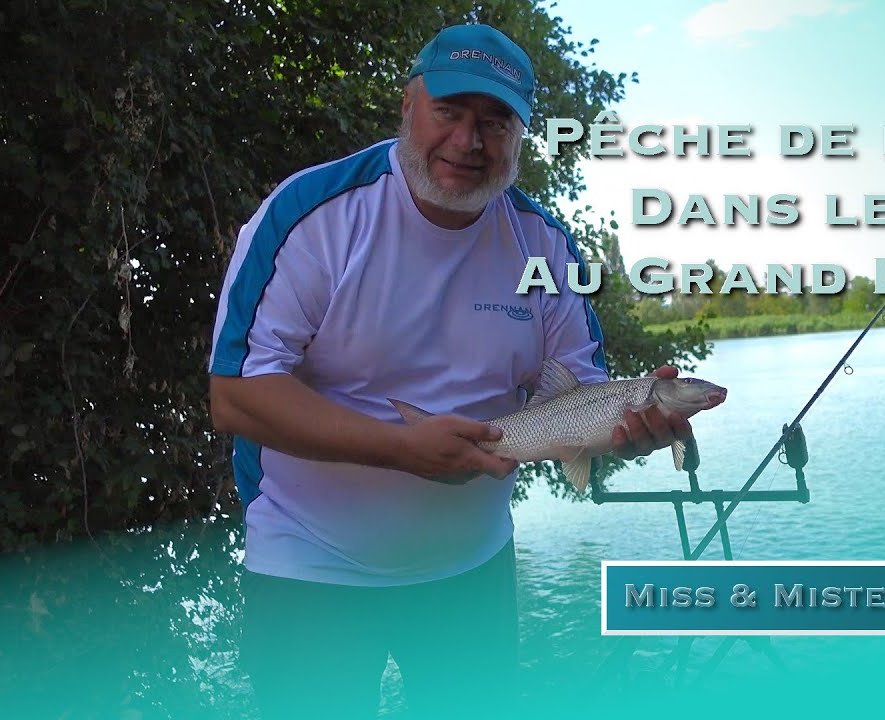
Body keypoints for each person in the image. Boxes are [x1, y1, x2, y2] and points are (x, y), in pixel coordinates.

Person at [206, 23, 691, 719]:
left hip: (471, 574)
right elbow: (238, 397)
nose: (469, 142)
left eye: (496, 121)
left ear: (522, 137)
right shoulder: (309, 215)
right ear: (409, 106)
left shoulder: (548, 248)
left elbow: (582, 401)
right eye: (450, 112)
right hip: (309, 569)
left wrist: (631, 431)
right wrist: (400, 449)